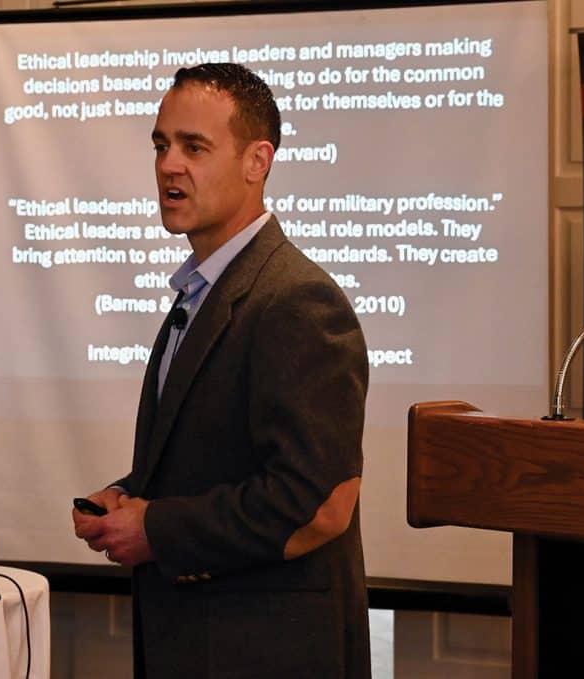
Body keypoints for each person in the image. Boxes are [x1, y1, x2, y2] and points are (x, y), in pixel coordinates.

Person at [73, 63, 371, 679]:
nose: (167, 165)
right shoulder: (204, 290)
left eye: (194, 147)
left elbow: (315, 502)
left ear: (257, 161)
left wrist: (157, 529)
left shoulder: (294, 299)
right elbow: (218, 454)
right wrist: (131, 498)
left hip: (263, 652)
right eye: (161, 144)